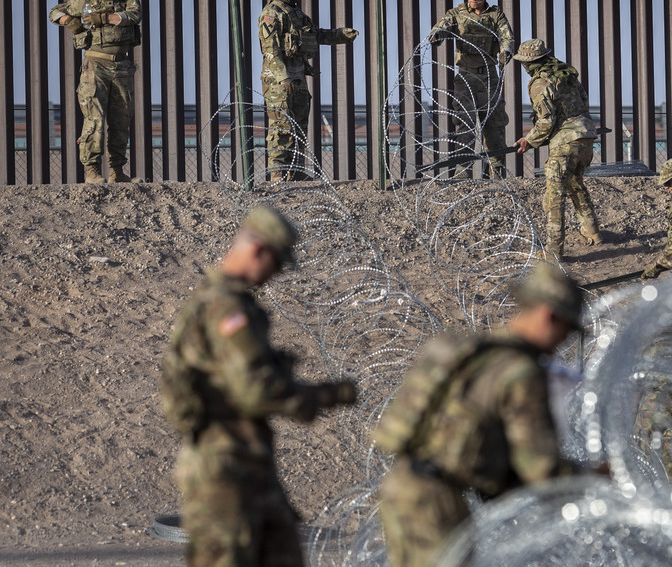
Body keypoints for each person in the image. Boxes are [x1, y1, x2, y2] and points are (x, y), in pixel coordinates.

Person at [161, 205, 358, 567]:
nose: (278, 273)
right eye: (278, 262)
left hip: (248, 465)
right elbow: (255, 389)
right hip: (223, 471)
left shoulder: (225, 302)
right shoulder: (224, 308)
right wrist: (318, 396)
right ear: (257, 251)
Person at [375, 263, 586, 567]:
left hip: (401, 487)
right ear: (548, 315)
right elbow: (541, 468)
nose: (560, 344)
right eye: (565, 332)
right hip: (438, 501)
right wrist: (593, 478)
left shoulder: (463, 349)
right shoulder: (520, 373)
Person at [258, 0, 359, 182]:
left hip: (299, 78)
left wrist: (341, 35)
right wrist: (283, 78)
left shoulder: (298, 15)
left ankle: (295, 172)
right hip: (279, 82)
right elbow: (271, 50)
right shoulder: (271, 14)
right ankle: (278, 175)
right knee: (281, 128)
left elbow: (316, 34)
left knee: (299, 127)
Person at [48, 0, 142, 184]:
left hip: (121, 66)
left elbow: (134, 15)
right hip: (95, 66)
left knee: (121, 121)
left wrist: (105, 18)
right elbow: (54, 12)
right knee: (94, 120)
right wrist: (70, 22)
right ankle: (92, 171)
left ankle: (117, 171)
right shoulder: (84, 1)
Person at [513, 39, 601, 257]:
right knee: (575, 184)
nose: (524, 67)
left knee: (554, 197)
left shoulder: (539, 83)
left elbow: (546, 121)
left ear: (530, 62)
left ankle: (554, 251)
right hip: (586, 136)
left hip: (565, 143)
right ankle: (593, 232)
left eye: (524, 63)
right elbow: (583, 102)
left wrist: (529, 140)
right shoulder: (566, 74)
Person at [429, 0, 515, 179]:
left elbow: (507, 38)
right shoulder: (457, 14)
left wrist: (505, 52)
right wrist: (436, 36)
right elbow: (442, 27)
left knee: (494, 125)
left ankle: (495, 171)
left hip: (488, 78)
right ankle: (463, 171)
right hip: (465, 77)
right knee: (464, 124)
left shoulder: (496, 16)